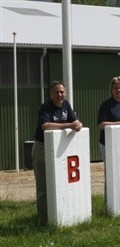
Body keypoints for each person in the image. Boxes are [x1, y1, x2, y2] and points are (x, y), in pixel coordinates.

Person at [32, 81, 83, 225]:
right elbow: (45, 125)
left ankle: (61, 216)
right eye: (56, 92)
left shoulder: (66, 105)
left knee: (60, 184)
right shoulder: (46, 107)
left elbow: (75, 121)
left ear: (65, 93)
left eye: (62, 92)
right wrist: (69, 125)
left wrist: (79, 124)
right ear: (51, 94)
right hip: (42, 148)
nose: (60, 95)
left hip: (59, 151)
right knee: (43, 186)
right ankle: (44, 220)